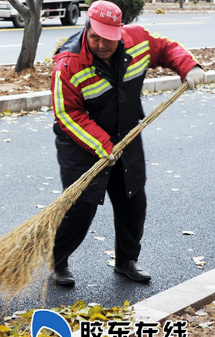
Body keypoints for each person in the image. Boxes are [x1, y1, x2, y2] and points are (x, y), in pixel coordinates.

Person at [50, 0, 205, 287]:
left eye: (108, 38)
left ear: (120, 32)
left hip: (127, 134)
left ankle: (126, 261)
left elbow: (166, 48)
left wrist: (189, 65)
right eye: (94, 36)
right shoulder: (68, 64)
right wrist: (103, 146)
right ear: (87, 28)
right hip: (81, 142)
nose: (100, 44)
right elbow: (67, 114)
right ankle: (58, 262)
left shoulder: (138, 41)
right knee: (80, 207)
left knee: (132, 199)